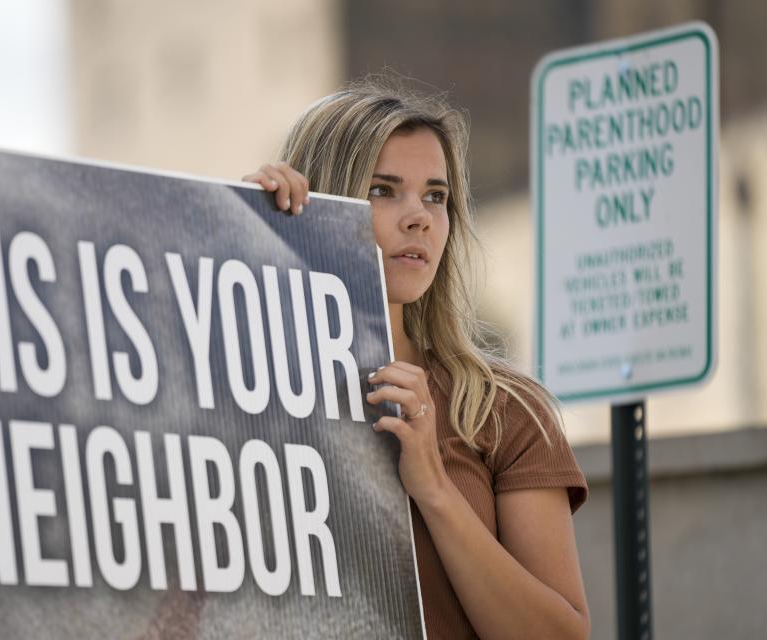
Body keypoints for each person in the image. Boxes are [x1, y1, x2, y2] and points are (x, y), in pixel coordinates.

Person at [242, 78, 591, 640]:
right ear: (322, 200)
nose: (419, 217)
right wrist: (236, 243)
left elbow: (559, 635)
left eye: (435, 196)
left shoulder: (500, 410)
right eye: (383, 190)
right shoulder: (249, 384)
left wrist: (433, 488)